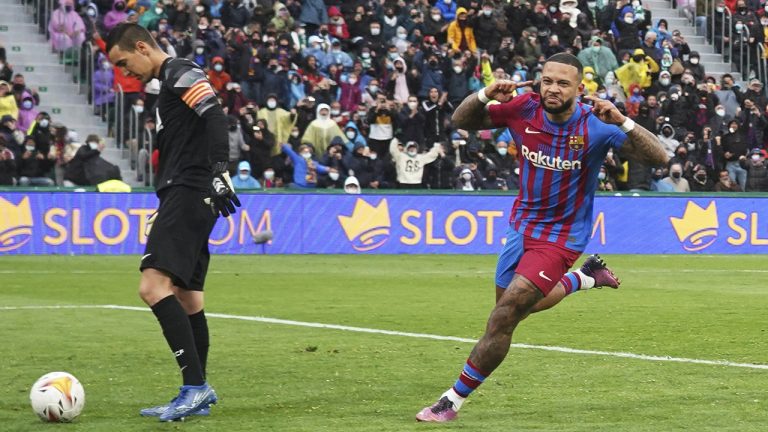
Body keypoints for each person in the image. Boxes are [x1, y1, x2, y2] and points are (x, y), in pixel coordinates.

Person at [415, 53, 669, 423]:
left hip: (562, 237)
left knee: (504, 316)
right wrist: (486, 93)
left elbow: (659, 157)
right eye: (548, 80)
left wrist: (624, 121)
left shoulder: (595, 124)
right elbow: (461, 120)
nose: (553, 88)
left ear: (579, 89)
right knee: (518, 306)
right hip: (522, 226)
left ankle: (451, 400)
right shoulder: (523, 108)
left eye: (563, 83)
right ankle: (584, 278)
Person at [106, 23, 239, 422]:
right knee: (187, 296)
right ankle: (197, 389)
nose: (125, 73)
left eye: (124, 63)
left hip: (190, 188)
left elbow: (215, 117)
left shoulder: (179, 70)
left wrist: (219, 171)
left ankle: (195, 388)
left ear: (142, 47)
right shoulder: (169, 80)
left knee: (152, 286)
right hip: (185, 190)